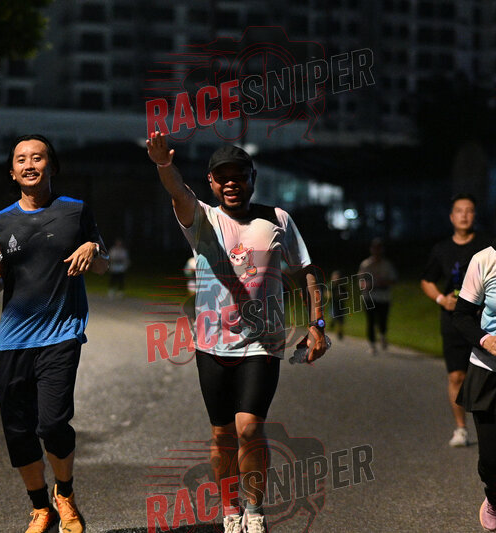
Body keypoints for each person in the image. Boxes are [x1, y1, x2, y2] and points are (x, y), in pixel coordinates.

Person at [146, 132, 327, 533]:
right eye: (222, 177)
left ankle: (255, 508)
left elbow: (307, 270)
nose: (231, 183)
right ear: (211, 182)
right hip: (212, 345)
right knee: (222, 434)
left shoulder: (277, 219)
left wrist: (317, 325)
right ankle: (230, 508)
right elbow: (177, 191)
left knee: (250, 429)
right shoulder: (202, 218)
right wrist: (163, 164)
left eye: (239, 175)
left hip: (263, 344)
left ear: (252, 178)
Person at [0, 134, 109, 533]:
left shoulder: (76, 210)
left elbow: (103, 264)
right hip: (13, 338)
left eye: (38, 158)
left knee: (52, 424)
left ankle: (64, 494)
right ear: (12, 171)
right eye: (21, 159)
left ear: (52, 166)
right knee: (17, 431)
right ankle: (40, 508)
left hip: (61, 333)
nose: (29, 165)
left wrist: (93, 250)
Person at [452, 193, 496, 531]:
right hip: (491, 373)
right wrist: (487, 340)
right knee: (493, 459)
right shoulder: (484, 260)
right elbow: (462, 316)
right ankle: (493, 496)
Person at [420, 193, 488, 447]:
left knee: (488, 376)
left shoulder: (487, 245)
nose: (464, 215)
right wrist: (441, 299)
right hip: (453, 321)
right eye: (459, 210)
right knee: (457, 376)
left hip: (484, 320)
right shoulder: (441, 249)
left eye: (469, 210)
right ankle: (461, 429)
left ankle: (490, 429)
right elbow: (427, 280)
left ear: (474, 215)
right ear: (451, 217)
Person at [357, 238, 397, 354]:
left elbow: (393, 279)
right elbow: (361, 281)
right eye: (375, 248)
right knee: (371, 321)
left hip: (383, 297)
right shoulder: (366, 265)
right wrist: (367, 285)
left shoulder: (387, 265)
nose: (377, 251)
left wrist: (382, 282)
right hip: (369, 297)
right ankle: (372, 344)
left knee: (383, 319)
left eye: (379, 248)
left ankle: (383, 335)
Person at [329, 270, 346, 340]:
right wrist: (331, 295)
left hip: (341, 305)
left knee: (341, 319)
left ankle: (340, 331)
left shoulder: (342, 287)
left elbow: (346, 295)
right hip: (334, 305)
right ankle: (333, 321)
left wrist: (342, 296)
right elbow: (327, 294)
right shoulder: (331, 287)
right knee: (334, 315)